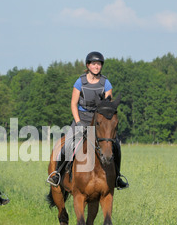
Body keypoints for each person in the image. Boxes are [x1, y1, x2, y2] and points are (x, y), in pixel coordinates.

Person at [47, 51, 129, 189]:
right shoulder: (80, 82)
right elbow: (73, 104)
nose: (97, 66)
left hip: (100, 121)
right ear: (88, 65)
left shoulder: (106, 83)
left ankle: (117, 177)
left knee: (115, 146)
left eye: (99, 64)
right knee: (67, 144)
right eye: (94, 64)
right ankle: (58, 174)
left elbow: (108, 105)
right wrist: (78, 122)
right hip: (82, 119)